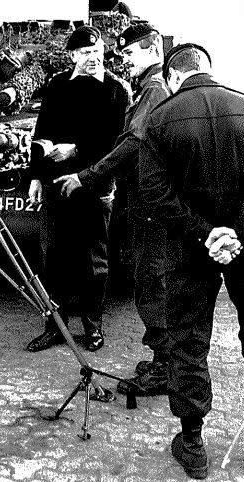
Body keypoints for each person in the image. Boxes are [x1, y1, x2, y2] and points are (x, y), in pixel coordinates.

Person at [138, 43, 244, 479]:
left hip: (188, 247)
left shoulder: (160, 119)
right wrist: (234, 233)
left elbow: (154, 192)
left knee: (187, 338)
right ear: (208, 69)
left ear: (174, 75)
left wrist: (205, 233)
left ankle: (193, 443)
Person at [54, 23, 171, 395]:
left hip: (141, 202)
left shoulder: (148, 90)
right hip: (131, 196)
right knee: (147, 280)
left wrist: (88, 176)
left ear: (152, 50)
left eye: (131, 53)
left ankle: (164, 367)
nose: (125, 60)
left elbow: (131, 141)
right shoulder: (143, 89)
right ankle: (161, 359)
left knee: (151, 283)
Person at [27, 25, 130, 352]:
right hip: (57, 185)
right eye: (85, 53)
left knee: (94, 261)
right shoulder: (58, 86)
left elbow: (115, 142)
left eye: (97, 51)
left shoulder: (116, 90)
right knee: (53, 258)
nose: (93, 58)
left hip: (96, 185)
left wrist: (76, 150)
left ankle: (93, 326)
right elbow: (41, 133)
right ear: (72, 55)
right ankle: (55, 326)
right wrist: (35, 176)